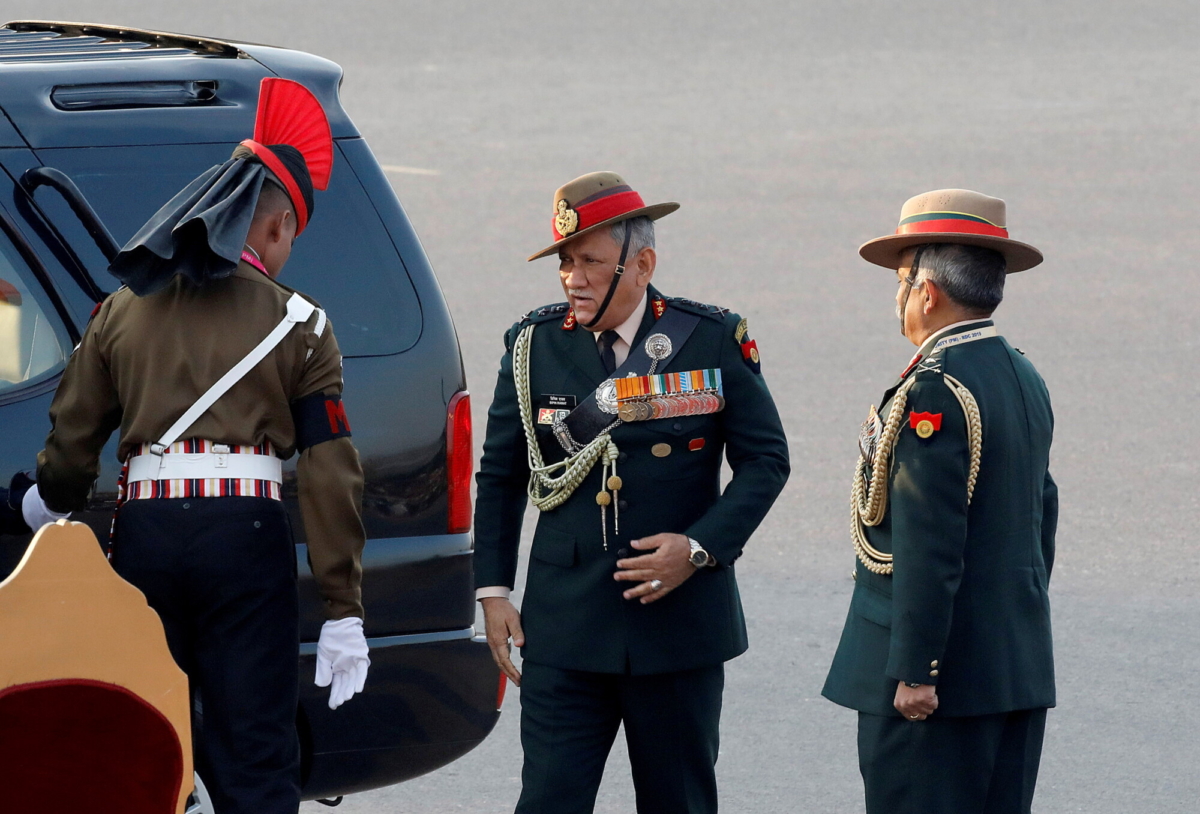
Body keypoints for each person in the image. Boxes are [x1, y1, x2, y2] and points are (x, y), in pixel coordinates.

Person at [22, 78, 369, 814]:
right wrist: (343, 606)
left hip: (145, 535)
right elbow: (331, 474)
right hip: (245, 539)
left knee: (147, 738)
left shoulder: (121, 309)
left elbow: (73, 438)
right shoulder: (301, 323)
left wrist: (43, 503)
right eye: (289, 239)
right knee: (254, 753)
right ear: (272, 228)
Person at [474, 171, 790, 814]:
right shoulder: (534, 346)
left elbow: (766, 461)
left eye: (590, 261)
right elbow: (500, 475)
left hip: (677, 630)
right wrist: (494, 593)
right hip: (565, 629)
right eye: (565, 263)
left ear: (642, 264)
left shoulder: (709, 339)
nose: (573, 279)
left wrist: (700, 547)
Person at [822, 189, 1058, 814]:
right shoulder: (1022, 374)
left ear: (927, 292)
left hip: (940, 685)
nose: (895, 298)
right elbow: (1041, 519)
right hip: (1009, 669)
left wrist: (917, 668)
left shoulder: (937, 393)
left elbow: (929, 541)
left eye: (900, 281)